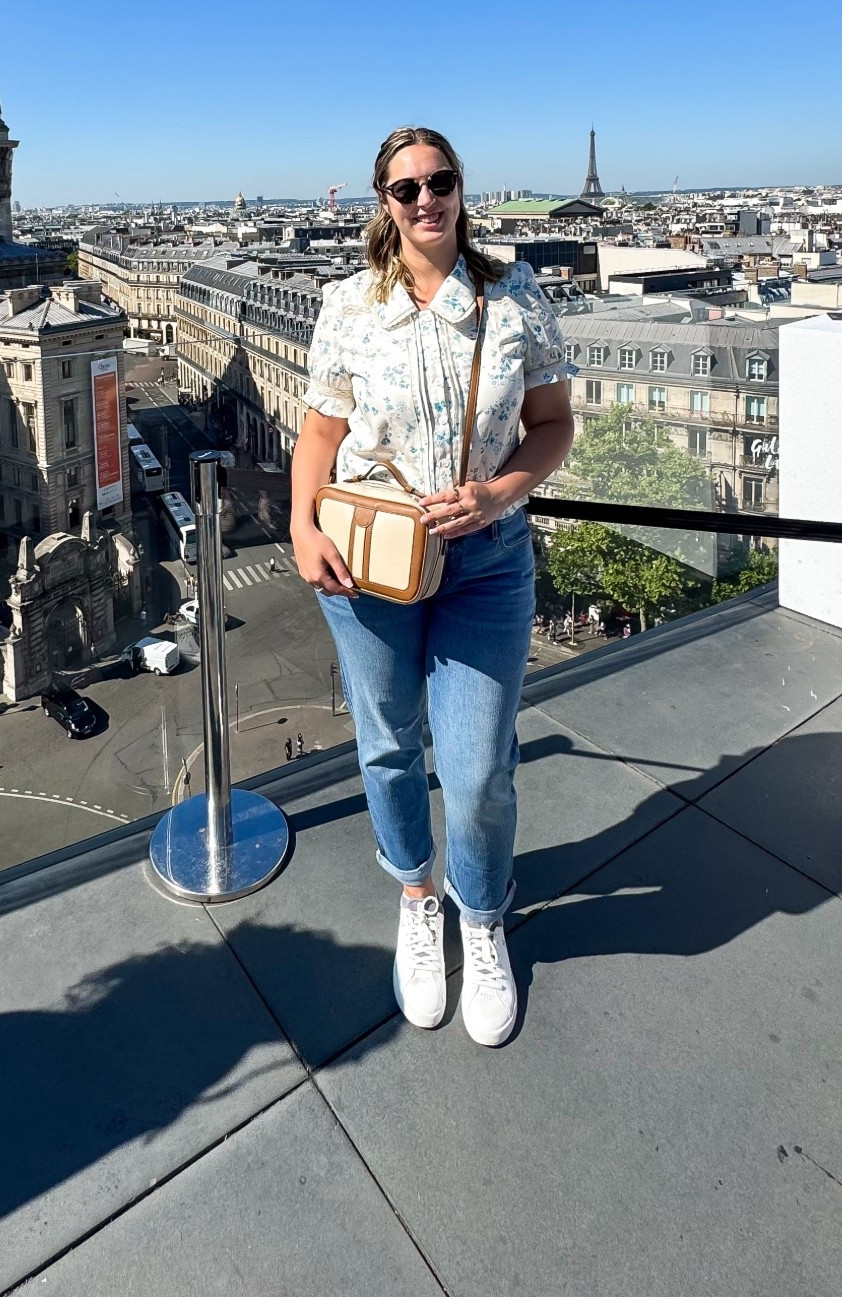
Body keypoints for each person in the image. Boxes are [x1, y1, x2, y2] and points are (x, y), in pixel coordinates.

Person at [291, 125, 573, 1047]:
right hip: (369, 559)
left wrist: (497, 492)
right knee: (386, 743)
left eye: (439, 181)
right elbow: (322, 436)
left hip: (486, 562)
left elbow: (553, 426)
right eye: (406, 188)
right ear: (384, 202)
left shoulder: (515, 294)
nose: (425, 200)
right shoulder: (347, 305)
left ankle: (482, 913)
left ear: (461, 190)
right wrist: (300, 525)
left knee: (481, 762)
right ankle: (418, 894)